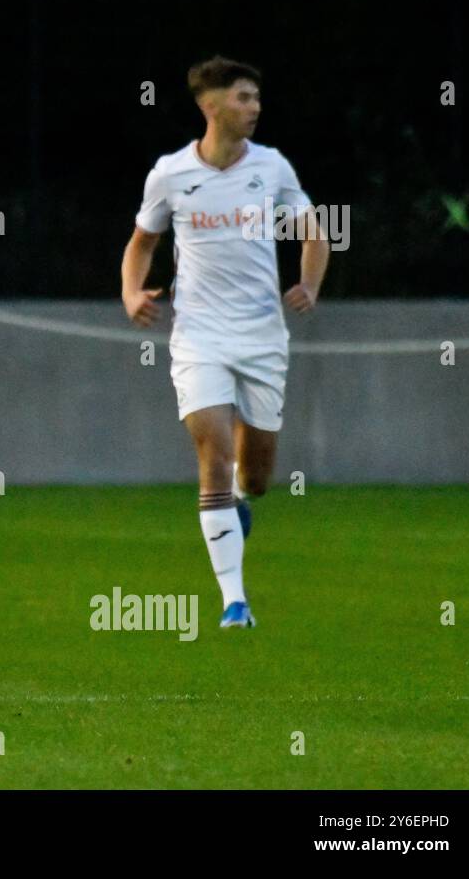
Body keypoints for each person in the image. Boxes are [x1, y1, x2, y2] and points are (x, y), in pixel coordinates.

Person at [120, 56, 329, 629]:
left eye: (257, 97)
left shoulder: (272, 166)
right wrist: (131, 293)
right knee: (213, 453)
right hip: (198, 337)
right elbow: (142, 242)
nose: (254, 107)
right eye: (243, 97)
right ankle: (235, 602)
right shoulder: (170, 173)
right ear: (210, 105)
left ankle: (241, 496)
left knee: (255, 475)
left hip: (263, 336)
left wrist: (308, 283)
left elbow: (314, 232)